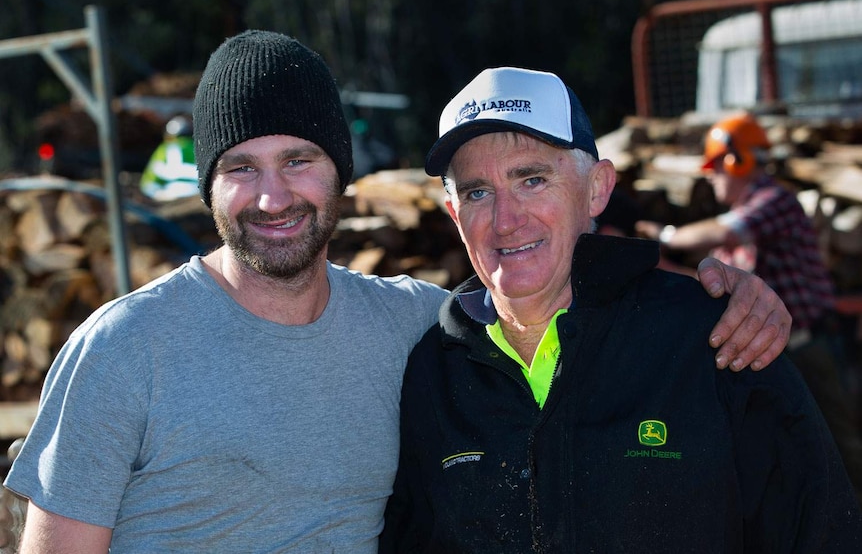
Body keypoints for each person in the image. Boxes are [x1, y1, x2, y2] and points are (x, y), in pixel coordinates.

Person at [2, 32, 787, 553]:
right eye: (241, 167)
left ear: (342, 171)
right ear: (208, 187)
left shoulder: (411, 326)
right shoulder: (125, 348)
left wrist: (729, 292)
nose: (273, 197)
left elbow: (531, 291)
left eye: (300, 159)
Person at [380, 67, 862, 552]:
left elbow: (819, 533)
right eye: (477, 192)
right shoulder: (431, 372)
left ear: (597, 189)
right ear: (454, 216)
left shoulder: (715, 341)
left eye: (531, 179)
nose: (506, 221)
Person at [636, 113, 862, 501]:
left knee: (840, 444)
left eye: (715, 168)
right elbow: (716, 284)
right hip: (774, 348)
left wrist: (663, 237)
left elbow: (721, 231)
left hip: (809, 347)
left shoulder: (773, 201)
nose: (711, 178)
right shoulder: (742, 230)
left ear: (735, 161)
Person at [139, 114, 199, 201]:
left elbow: (151, 179)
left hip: (168, 192)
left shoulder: (166, 147)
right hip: (193, 191)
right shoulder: (197, 147)